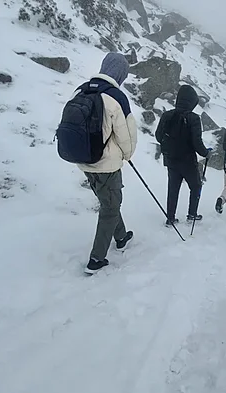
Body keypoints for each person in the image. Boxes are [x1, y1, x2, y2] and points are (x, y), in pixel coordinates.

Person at [57, 52, 138, 275]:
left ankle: (121, 237)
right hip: (107, 164)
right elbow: (126, 136)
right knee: (110, 207)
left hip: (83, 159)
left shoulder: (82, 89)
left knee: (108, 201)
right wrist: (127, 155)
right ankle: (96, 259)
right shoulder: (116, 97)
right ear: (121, 74)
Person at [156, 84, 211, 227]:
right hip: (187, 161)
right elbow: (197, 142)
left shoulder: (167, 115)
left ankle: (170, 218)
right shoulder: (193, 118)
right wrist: (206, 153)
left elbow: (158, 136)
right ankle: (192, 214)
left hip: (170, 159)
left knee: (173, 188)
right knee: (196, 185)